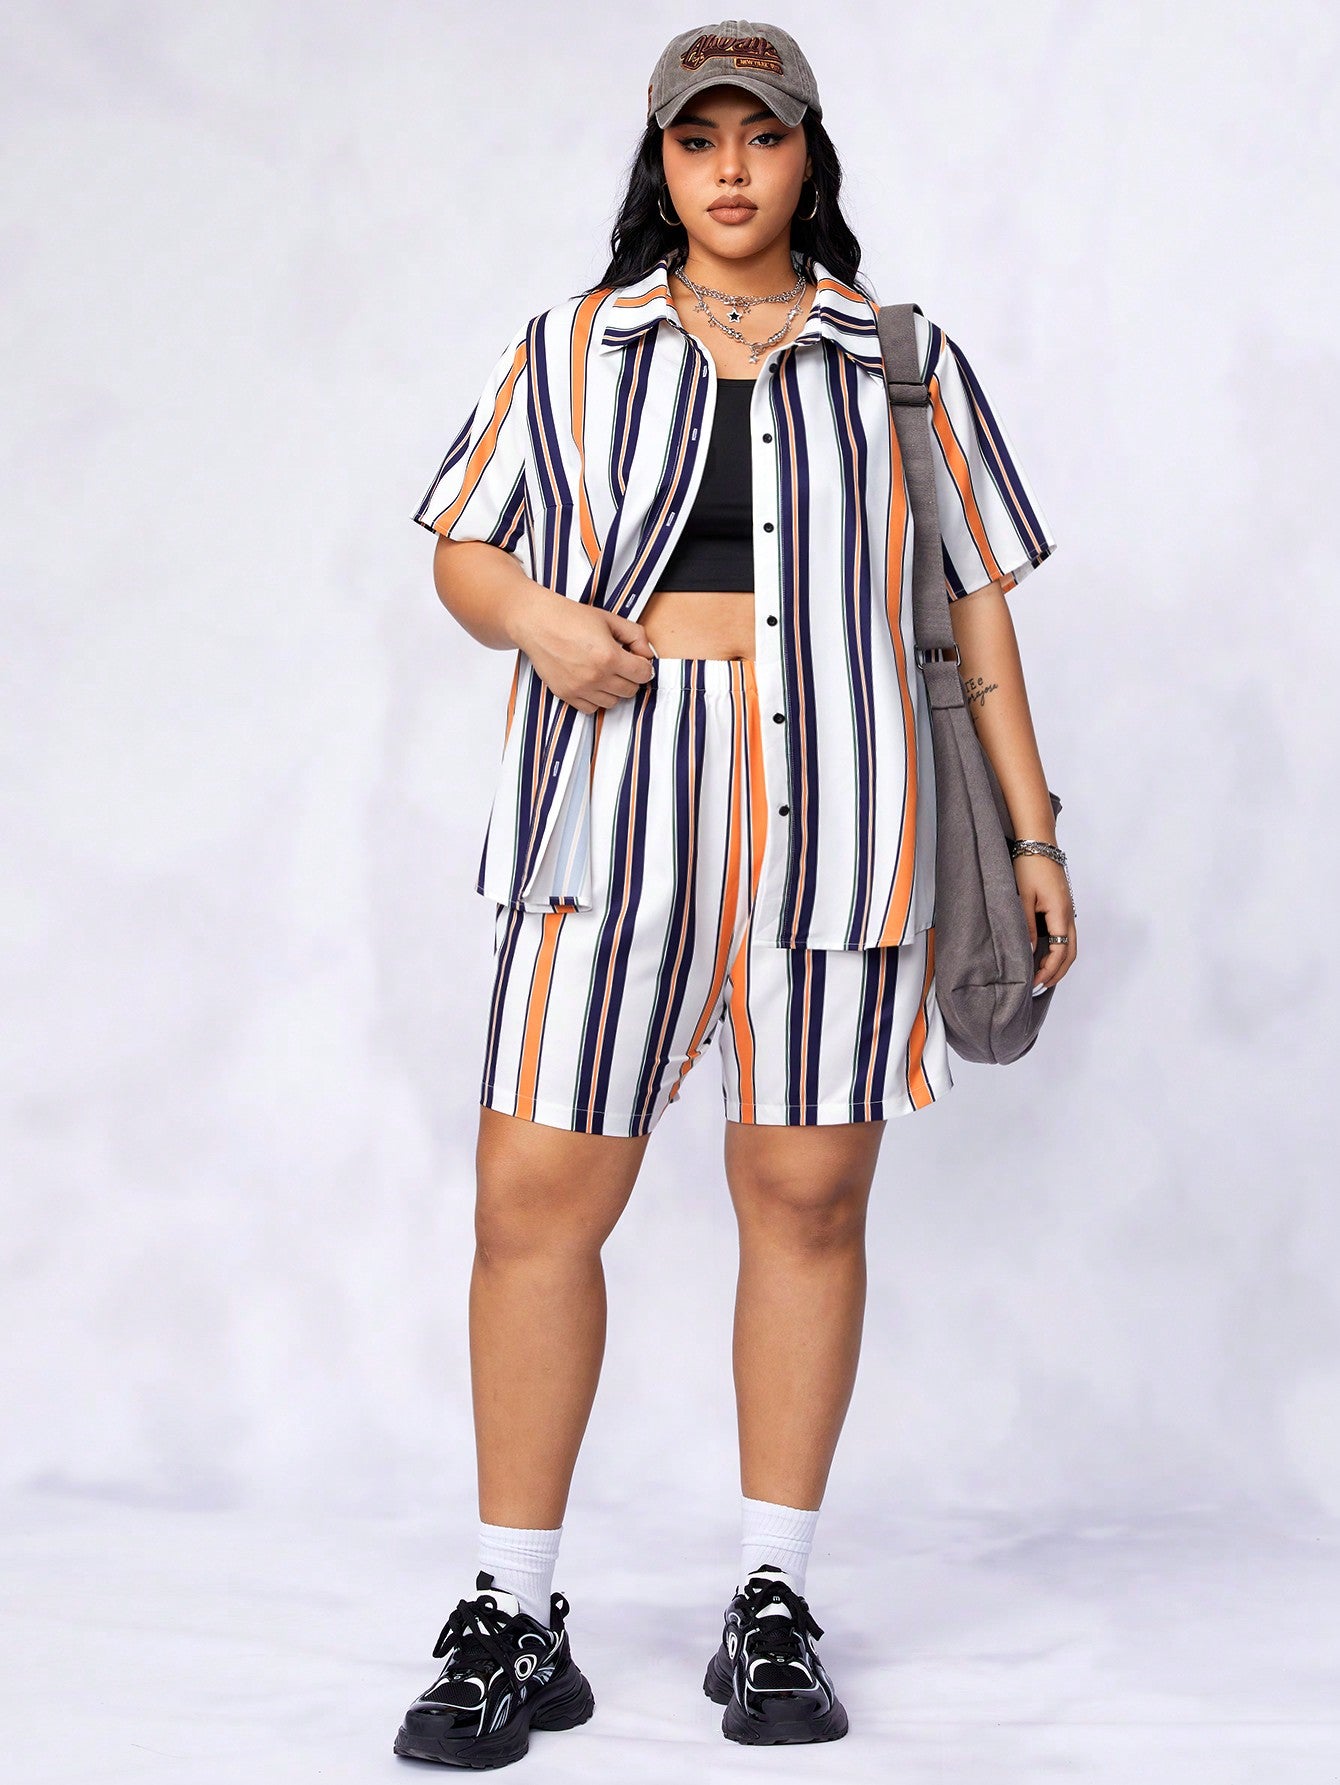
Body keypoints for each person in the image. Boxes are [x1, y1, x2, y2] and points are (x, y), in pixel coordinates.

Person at [394, 17, 1075, 1767]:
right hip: (608, 802)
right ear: (661, 162)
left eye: (759, 137)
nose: (729, 168)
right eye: (697, 140)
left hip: (841, 805)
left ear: (805, 157)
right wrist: (535, 619)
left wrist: (1032, 835)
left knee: (808, 1195)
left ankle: (772, 1594)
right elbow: (465, 542)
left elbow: (977, 604)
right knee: (533, 1194)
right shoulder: (568, 345)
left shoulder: (899, 358)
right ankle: (512, 1608)